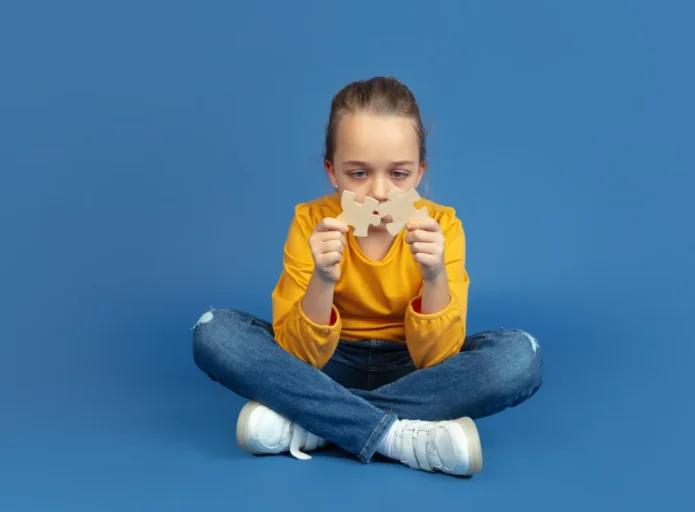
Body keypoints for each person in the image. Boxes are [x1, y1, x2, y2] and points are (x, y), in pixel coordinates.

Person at [192, 76, 543, 477]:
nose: (378, 191)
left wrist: (433, 278)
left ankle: (312, 422)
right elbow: (297, 355)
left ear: (420, 171)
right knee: (213, 331)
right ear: (332, 172)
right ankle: (400, 436)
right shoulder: (311, 222)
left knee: (520, 357)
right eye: (358, 174)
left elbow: (438, 359)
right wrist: (323, 278)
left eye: (398, 174)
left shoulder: (441, 225)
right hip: (326, 366)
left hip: (412, 368)